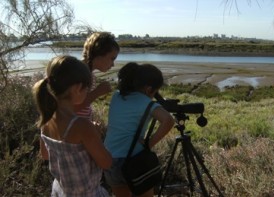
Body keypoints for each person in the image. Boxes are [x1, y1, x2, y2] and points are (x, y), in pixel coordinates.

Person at [32, 55, 112, 196]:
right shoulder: (82, 125)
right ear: (78, 88)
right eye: (87, 89)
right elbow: (106, 163)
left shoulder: (46, 119)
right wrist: (96, 134)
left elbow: (45, 155)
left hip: (61, 191)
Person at [104, 62, 175, 197]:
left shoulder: (117, 96)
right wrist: (149, 143)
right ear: (149, 89)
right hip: (133, 160)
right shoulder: (146, 102)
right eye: (155, 92)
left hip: (109, 158)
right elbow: (168, 120)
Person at [76, 31, 120, 122]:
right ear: (99, 53)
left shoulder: (87, 73)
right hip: (71, 133)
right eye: (112, 59)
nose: (113, 65)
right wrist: (98, 92)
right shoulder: (78, 73)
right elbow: (71, 108)